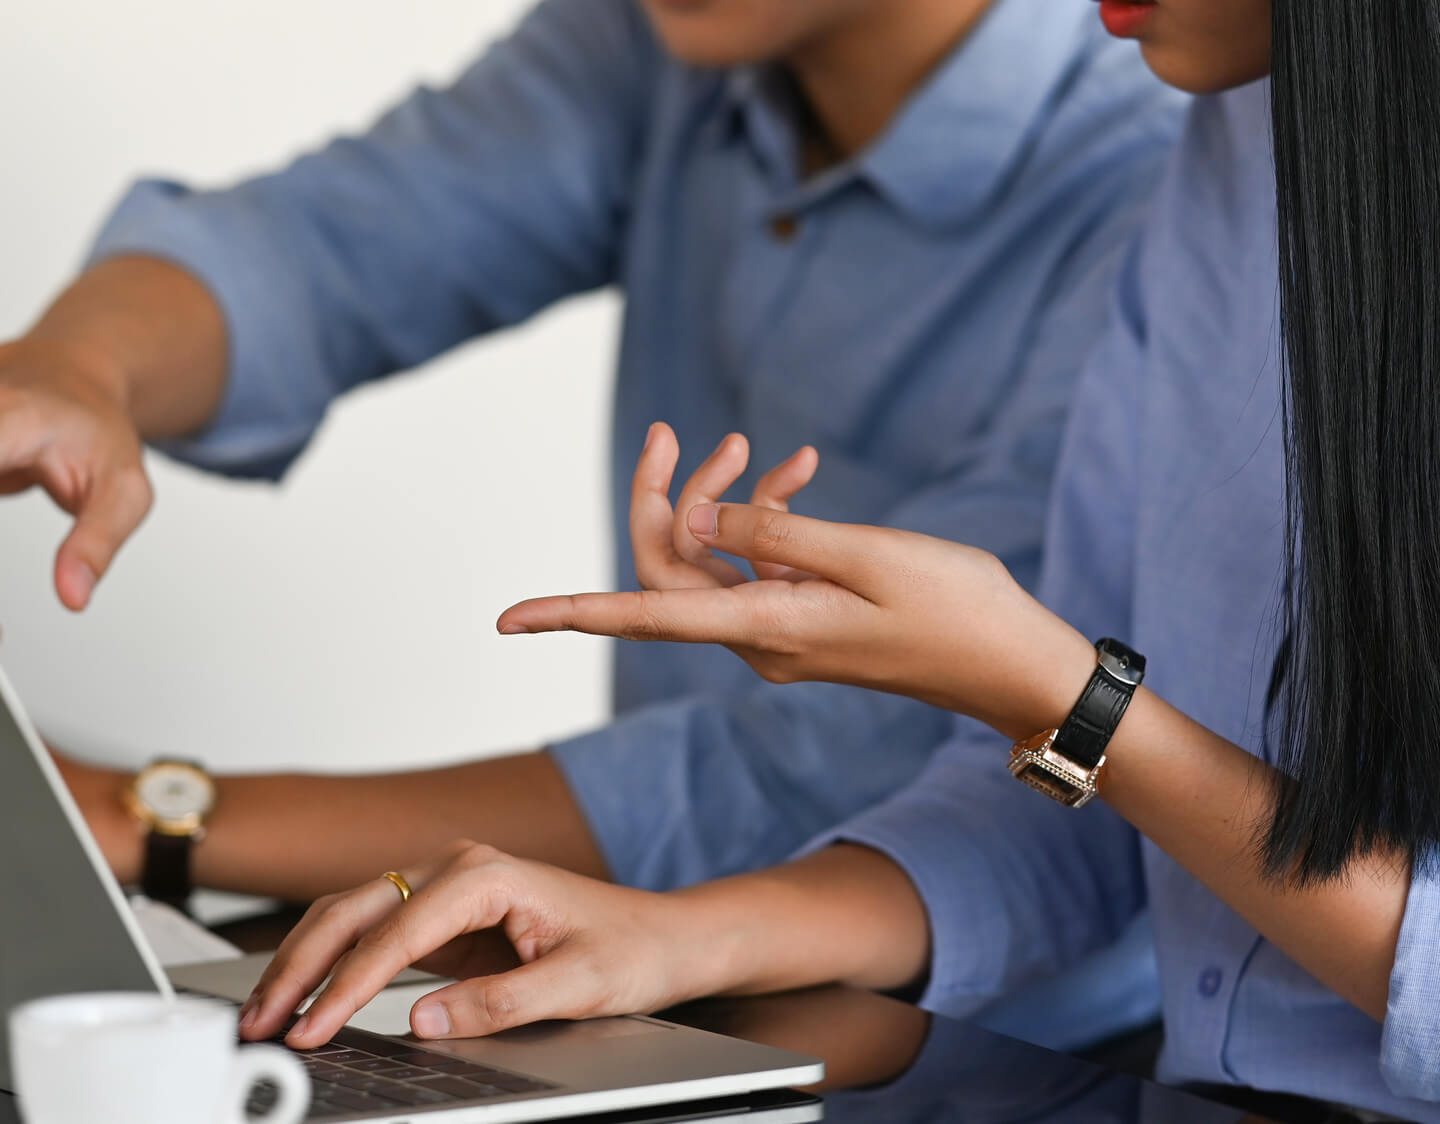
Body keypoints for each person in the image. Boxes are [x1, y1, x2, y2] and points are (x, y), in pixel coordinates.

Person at [0, 0, 1181, 1045]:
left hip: (1012, 1052)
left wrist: (156, 817)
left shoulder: (1165, 158)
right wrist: (75, 372)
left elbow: (868, 754)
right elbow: (324, 248)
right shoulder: (671, 38)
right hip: (642, 987)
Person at [245, 0, 1440, 1115]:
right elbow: (1076, 815)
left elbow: (1097, 744)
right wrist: (673, 934)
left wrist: (1054, 690)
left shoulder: (1126, 147)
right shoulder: (1223, 149)